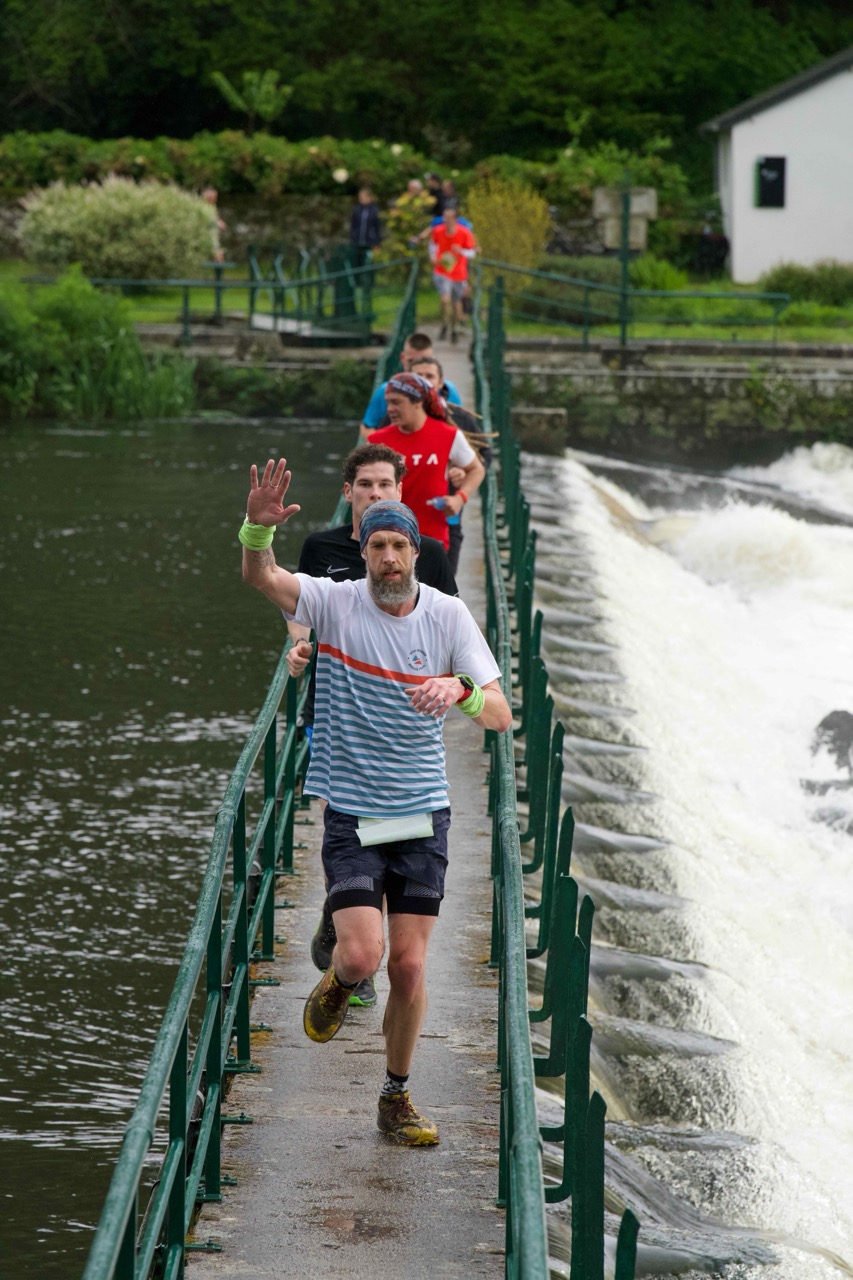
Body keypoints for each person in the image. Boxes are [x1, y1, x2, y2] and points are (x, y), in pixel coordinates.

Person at [240, 464, 512, 1146]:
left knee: (410, 967)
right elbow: (263, 579)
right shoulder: (334, 603)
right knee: (362, 957)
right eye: (377, 546)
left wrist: (460, 692)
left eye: (399, 546)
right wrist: (256, 532)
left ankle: (396, 1096)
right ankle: (338, 980)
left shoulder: (447, 615)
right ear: (361, 552)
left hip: (422, 812)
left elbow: (501, 714)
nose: (388, 557)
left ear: (416, 553)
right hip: (354, 812)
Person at [286, 442, 458, 1008]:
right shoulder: (321, 547)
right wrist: (300, 648)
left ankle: (350, 927)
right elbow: (299, 612)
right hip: (333, 707)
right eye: (365, 485)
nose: (375, 493)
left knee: (388, 833)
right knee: (345, 816)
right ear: (349, 492)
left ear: (400, 491)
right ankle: (352, 948)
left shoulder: (430, 554)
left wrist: (453, 687)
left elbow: (446, 630)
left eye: (385, 484)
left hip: (404, 721)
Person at [368, 372, 485, 551]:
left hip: (432, 542)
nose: (389, 409)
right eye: (388, 402)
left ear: (418, 402)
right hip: (388, 542)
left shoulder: (448, 435)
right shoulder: (377, 441)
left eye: (396, 402)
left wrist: (460, 498)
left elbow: (477, 469)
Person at [410, 355, 492, 576]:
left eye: (429, 376)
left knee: (443, 587)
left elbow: (484, 457)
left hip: (446, 517)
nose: (424, 381)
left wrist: (462, 478)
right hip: (402, 520)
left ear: (441, 382)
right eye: (418, 376)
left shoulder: (460, 419)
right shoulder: (396, 417)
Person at [359, 331, 462, 439]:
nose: (422, 380)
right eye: (412, 362)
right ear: (403, 358)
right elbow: (367, 427)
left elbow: (460, 425)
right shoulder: (387, 390)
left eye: (425, 361)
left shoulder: (449, 390)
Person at [429, 205, 477, 342]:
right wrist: (433, 257)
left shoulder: (464, 233)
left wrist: (460, 251)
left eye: (450, 218)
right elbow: (432, 245)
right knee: (445, 299)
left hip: (458, 272)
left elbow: (472, 253)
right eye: (445, 217)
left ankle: (454, 328)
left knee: (457, 303)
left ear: (456, 219)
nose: (447, 220)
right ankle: (445, 324)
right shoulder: (438, 231)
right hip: (442, 270)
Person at [349, 186, 382, 269]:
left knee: (368, 264)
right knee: (356, 264)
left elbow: (378, 227)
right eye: (360, 197)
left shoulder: (375, 210)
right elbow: (353, 225)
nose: (360, 199)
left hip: (370, 242)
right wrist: (353, 236)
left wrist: (377, 242)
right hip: (357, 242)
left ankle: (367, 277)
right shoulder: (357, 209)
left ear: (369, 197)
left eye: (362, 197)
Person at [202, 187, 227, 263]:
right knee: (218, 255)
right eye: (215, 197)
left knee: (219, 255)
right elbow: (206, 218)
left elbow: (215, 218)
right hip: (206, 236)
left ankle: (219, 268)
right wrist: (217, 223)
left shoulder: (213, 207)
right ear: (209, 197)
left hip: (213, 236)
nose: (216, 199)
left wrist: (220, 222)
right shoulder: (202, 207)